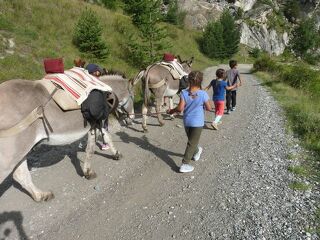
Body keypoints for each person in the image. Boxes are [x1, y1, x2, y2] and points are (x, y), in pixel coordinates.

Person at [167, 71, 211, 173]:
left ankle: (197, 151)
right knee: (191, 142)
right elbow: (209, 108)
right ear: (200, 81)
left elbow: (180, 109)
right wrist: (203, 104)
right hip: (198, 123)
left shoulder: (184, 93)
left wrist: (171, 111)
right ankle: (184, 164)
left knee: (191, 141)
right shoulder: (203, 94)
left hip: (187, 121)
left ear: (189, 81)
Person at [85, 63, 110, 151]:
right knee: (104, 123)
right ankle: (105, 142)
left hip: (87, 109)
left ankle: (87, 142)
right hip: (98, 109)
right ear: (95, 72)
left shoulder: (85, 80)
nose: (99, 72)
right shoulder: (97, 82)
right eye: (97, 71)